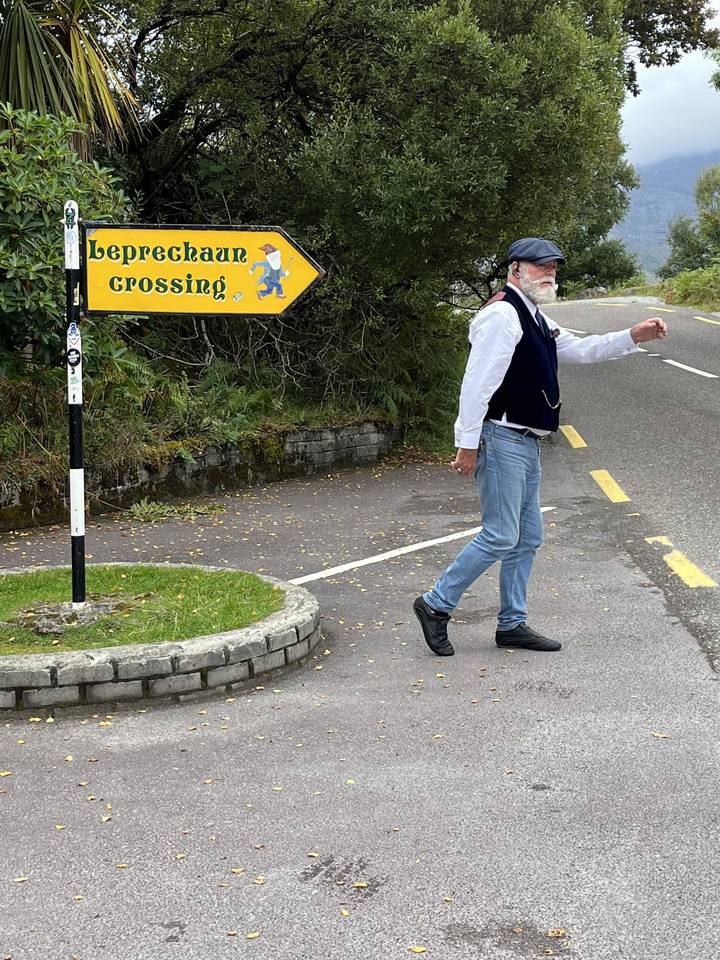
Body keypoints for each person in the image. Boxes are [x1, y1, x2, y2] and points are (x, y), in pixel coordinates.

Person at [413, 237, 667, 656]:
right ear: (515, 269)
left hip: (527, 442)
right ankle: (436, 604)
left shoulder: (535, 316)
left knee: (527, 536)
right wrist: (468, 443)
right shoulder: (502, 315)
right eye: (540, 266)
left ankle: (512, 623)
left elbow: (581, 349)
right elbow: (477, 384)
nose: (549, 272)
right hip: (501, 437)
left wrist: (632, 335)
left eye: (553, 267)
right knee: (500, 535)